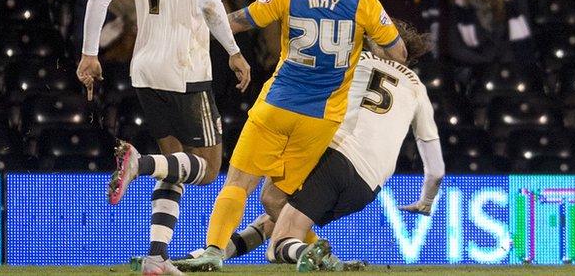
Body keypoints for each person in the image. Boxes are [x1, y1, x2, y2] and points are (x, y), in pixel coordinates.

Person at [173, 0, 407, 272]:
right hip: (320, 122)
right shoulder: (365, 3)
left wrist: (193, 14)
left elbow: (234, 23)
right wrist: (367, 44)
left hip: (277, 107)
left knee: (239, 183)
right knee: (275, 199)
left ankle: (213, 252)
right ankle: (320, 257)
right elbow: (399, 53)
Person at [175, 20, 445, 271]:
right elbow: (436, 170)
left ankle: (312, 254)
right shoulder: (417, 88)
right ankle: (207, 257)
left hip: (336, 155)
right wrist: (426, 201)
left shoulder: (353, 60)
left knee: (276, 227)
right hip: (368, 187)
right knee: (278, 218)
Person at [76, 0, 251, 275]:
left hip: (144, 68)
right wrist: (234, 51)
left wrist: (90, 53)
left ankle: (156, 257)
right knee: (206, 168)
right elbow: (208, 2)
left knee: (175, 168)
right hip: (185, 68)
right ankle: (139, 162)